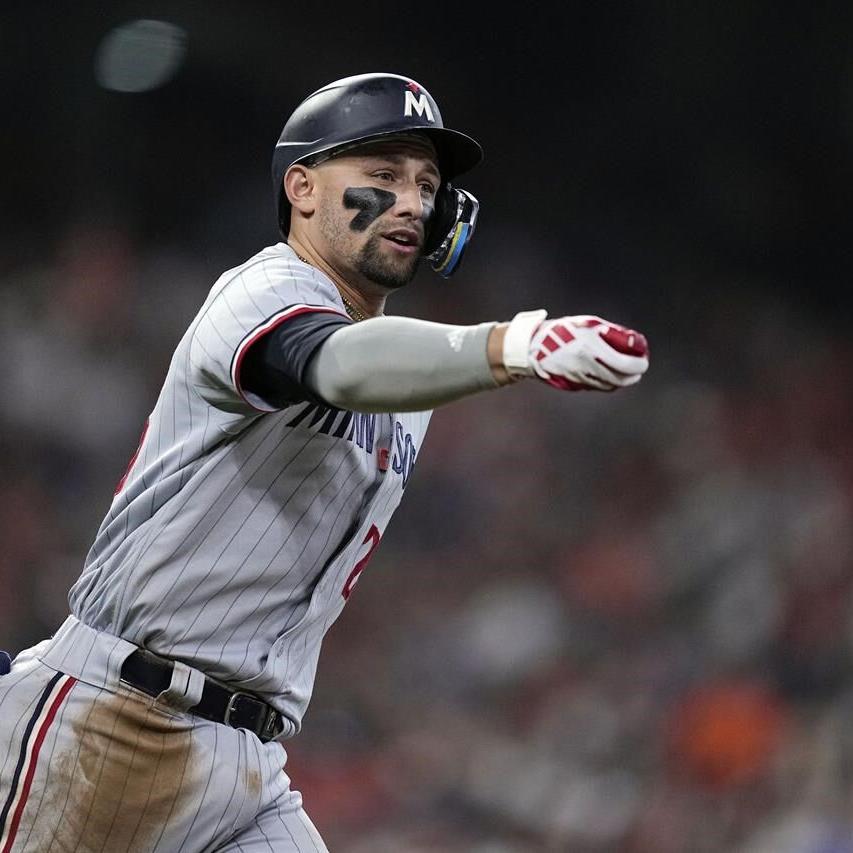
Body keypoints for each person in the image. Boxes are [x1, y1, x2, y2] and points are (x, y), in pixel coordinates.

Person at [0, 72, 649, 852]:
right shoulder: (263, 287)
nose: (412, 201)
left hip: (250, 757)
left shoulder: (413, 379)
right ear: (301, 188)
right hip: (120, 718)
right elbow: (332, 363)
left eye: (426, 184)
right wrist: (510, 345)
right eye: (381, 176)